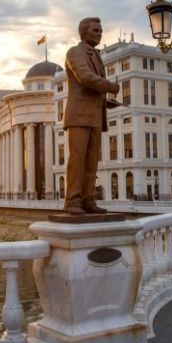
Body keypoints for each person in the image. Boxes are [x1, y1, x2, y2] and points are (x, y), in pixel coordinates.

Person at [63, 17, 120, 214]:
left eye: (100, 30)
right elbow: (85, 77)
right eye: (96, 30)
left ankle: (88, 200)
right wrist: (111, 86)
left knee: (91, 160)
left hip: (95, 114)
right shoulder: (75, 52)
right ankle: (72, 201)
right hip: (79, 115)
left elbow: (92, 85)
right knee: (77, 159)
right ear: (84, 32)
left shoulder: (96, 55)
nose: (99, 33)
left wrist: (106, 100)